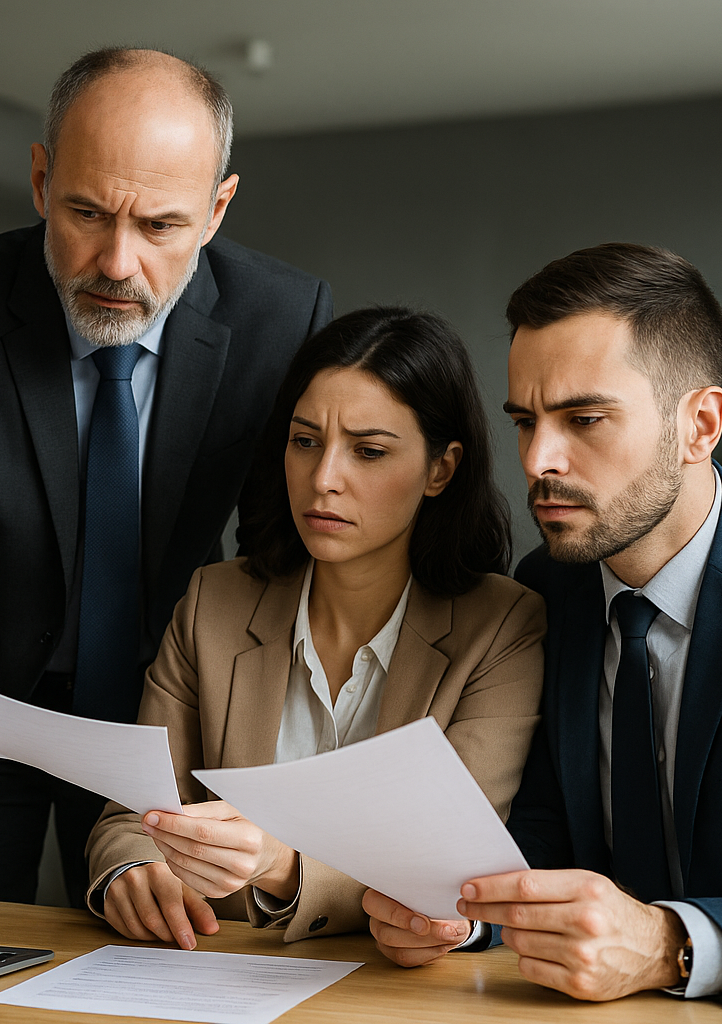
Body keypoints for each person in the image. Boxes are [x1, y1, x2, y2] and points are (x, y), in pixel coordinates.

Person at [0, 47, 333, 909]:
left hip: (173, 710)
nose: (115, 262)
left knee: (170, 960)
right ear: (39, 182)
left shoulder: (281, 322)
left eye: (160, 227)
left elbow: (278, 557)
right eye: (86, 212)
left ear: (217, 210)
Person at [366, 243, 722, 1009]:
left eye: (585, 418)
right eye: (525, 421)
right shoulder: (546, 590)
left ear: (699, 424)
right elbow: (546, 835)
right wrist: (461, 916)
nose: (538, 459)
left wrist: (672, 943)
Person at [85, 307, 545, 951]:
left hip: (396, 993)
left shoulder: (503, 627)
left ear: (441, 469)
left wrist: (284, 865)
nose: (324, 479)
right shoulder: (212, 601)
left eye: (369, 451)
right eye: (306, 441)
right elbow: (131, 814)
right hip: (214, 974)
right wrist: (132, 871)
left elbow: (448, 859)